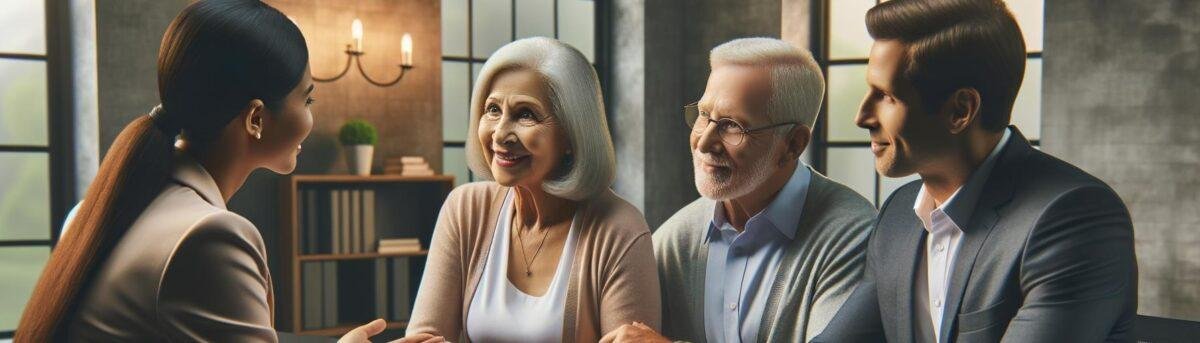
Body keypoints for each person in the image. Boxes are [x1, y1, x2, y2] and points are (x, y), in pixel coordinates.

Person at [15, 1, 387, 341]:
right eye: (308, 99)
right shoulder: (210, 237)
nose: (310, 117)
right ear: (256, 118)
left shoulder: (95, 212)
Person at [814, 0, 1137, 342]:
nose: (862, 116)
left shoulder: (1073, 218)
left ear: (960, 110)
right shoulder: (898, 216)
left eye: (887, 96)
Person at [602, 38, 877, 343]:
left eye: (732, 125)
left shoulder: (853, 237)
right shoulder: (673, 242)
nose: (704, 142)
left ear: (793, 144)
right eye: (704, 115)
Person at [400, 37, 661, 342]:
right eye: (492, 109)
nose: (500, 134)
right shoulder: (465, 209)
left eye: (525, 114)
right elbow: (425, 337)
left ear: (572, 134)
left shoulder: (620, 230)